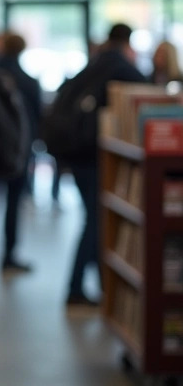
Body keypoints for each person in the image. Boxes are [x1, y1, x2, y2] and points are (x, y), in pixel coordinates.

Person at [60, 24, 146, 307]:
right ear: (128, 41)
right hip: (97, 157)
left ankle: (98, 286)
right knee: (96, 222)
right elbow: (145, 95)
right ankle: (77, 289)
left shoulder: (95, 63)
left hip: (79, 154)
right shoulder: (121, 66)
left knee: (94, 219)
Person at [0, 33, 41, 272]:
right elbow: (37, 120)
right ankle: (8, 256)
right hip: (18, 153)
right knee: (13, 205)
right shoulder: (29, 81)